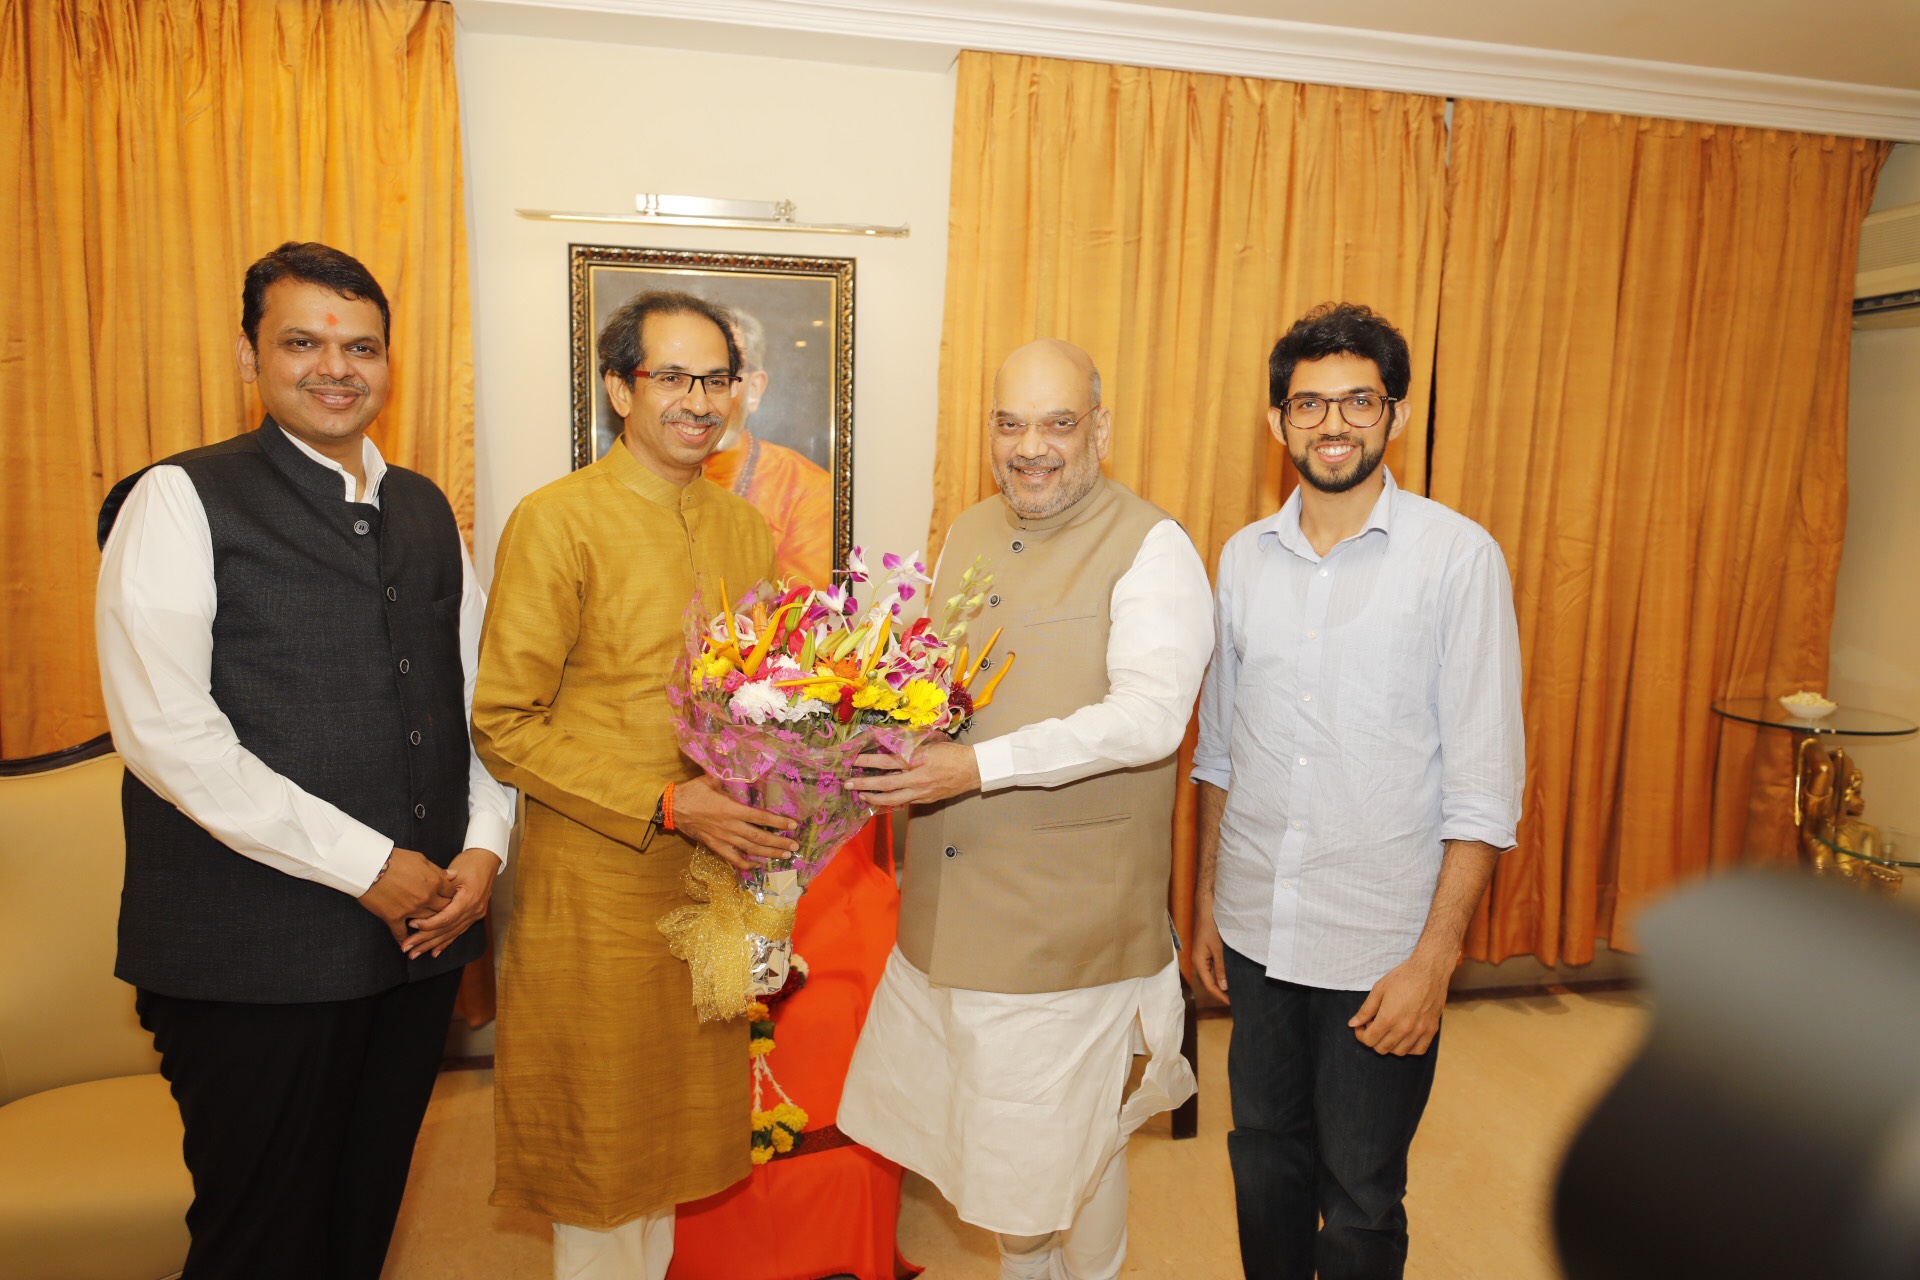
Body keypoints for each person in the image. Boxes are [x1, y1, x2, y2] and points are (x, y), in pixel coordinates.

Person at [94, 241, 515, 1280]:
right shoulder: (177, 500)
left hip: (417, 941)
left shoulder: (425, 508)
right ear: (250, 356)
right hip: (249, 955)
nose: (337, 366)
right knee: (260, 1239)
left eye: (361, 345)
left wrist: (485, 847)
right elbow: (168, 735)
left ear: (388, 362)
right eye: (303, 341)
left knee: (358, 1221)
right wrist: (367, 862)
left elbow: (477, 705)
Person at [839, 339, 1214, 1280]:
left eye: (1058, 423)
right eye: (1010, 423)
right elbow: (933, 689)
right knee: (1035, 1155)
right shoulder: (964, 529)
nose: (1031, 447)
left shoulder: (1153, 546)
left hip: (1062, 929)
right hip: (947, 915)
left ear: (1102, 429)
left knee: (1039, 1174)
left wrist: (973, 770)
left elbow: (1150, 719)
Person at [1190, 302, 1525, 1280]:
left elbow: (1484, 785)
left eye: (1357, 401)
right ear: (1276, 421)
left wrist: (1436, 956)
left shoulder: (1457, 558)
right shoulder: (1243, 558)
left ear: (1397, 414)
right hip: (1257, 929)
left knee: (1364, 1190)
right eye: (1309, 404)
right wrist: (1212, 899)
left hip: (1380, 943)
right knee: (1263, 1161)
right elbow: (1221, 749)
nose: (1332, 423)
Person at [471, 290, 797, 1280]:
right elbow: (503, 722)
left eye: (717, 378)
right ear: (619, 387)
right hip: (596, 886)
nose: (700, 400)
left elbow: (757, 700)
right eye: (673, 376)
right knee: (601, 1156)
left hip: (708, 883)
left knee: (665, 1147)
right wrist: (663, 802)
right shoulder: (557, 520)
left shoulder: (743, 529)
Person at [701, 307, 834, 584]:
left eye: (723, 374)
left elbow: (797, 616)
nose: (701, 398)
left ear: (756, 389)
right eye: (676, 376)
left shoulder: (805, 489)